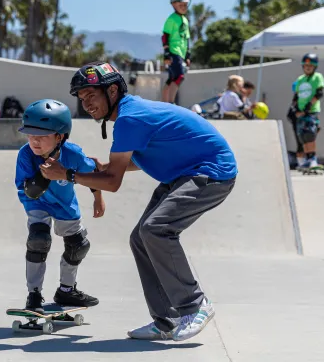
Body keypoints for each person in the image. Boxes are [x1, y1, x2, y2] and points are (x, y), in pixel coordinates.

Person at [39, 61, 238, 342]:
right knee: (140, 238)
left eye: (91, 96)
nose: (87, 105)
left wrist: (69, 174)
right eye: (82, 99)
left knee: (156, 229)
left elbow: (112, 182)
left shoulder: (130, 118)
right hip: (182, 174)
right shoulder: (130, 114)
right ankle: (167, 319)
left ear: (111, 91)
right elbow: (126, 164)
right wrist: (103, 168)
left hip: (211, 172)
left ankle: (195, 305)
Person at [15, 99, 104, 313]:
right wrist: (43, 175)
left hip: (65, 206)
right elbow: (29, 190)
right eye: (30, 135)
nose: (34, 142)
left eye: (42, 136)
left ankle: (67, 290)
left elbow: (91, 174)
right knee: (38, 240)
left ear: (60, 136)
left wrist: (98, 198)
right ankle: (34, 294)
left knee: (78, 246)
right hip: (37, 203)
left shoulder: (72, 154)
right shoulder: (26, 155)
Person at [290, 53, 324, 170]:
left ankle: (313, 159)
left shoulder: (317, 77)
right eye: (305, 66)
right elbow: (296, 96)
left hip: (311, 111)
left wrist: (307, 108)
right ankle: (307, 159)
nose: (308, 68)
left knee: (310, 134)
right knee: (302, 136)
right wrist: (295, 109)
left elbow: (319, 93)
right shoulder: (300, 79)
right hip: (300, 112)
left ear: (315, 67)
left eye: (310, 66)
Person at [161, 0, 191, 104]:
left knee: (172, 78)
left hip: (181, 53)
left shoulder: (185, 20)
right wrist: (167, 54)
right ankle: (171, 102)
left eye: (185, 5)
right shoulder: (171, 19)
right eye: (181, 5)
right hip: (174, 51)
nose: (184, 7)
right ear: (173, 4)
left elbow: (187, 38)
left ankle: (164, 103)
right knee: (179, 76)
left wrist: (188, 55)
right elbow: (165, 36)